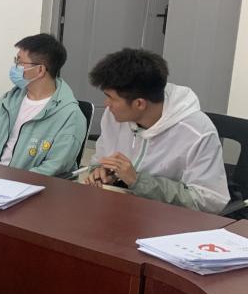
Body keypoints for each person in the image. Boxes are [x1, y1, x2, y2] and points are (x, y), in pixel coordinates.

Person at [84, 48, 229, 213]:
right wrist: (102, 172)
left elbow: (208, 201)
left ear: (139, 104)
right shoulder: (114, 117)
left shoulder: (197, 133)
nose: (106, 104)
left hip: (169, 219)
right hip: (123, 209)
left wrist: (138, 181)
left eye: (111, 98)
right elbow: (99, 160)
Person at [0, 33, 85, 177]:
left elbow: (55, 166)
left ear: (40, 70)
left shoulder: (70, 116)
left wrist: (11, 183)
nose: (15, 67)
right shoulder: (10, 99)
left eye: (19, 62)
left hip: (29, 185)